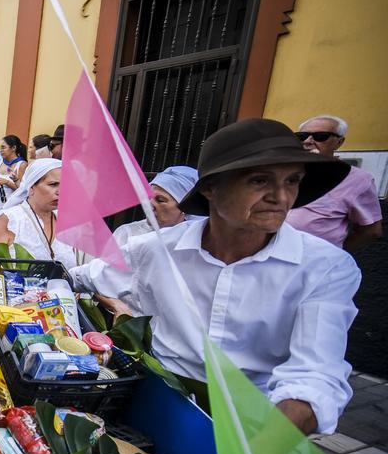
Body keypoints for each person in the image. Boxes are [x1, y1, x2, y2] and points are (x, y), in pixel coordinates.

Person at [70, 118, 358, 435]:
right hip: (158, 402)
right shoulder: (155, 250)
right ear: (210, 188)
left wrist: (266, 448)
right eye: (260, 181)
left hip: (257, 422)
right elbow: (79, 278)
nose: (281, 196)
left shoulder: (325, 267)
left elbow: (315, 375)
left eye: (292, 181)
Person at [285, 115, 382, 252]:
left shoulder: (358, 179)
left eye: (321, 136)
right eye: (302, 136)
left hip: (314, 262)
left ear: (339, 142)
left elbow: (371, 231)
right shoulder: (284, 171)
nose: (308, 141)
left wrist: (335, 255)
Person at [0, 158, 78, 267]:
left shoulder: (68, 223)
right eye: (53, 184)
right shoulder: (8, 222)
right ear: (31, 187)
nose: (60, 192)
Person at [111, 165, 199, 247]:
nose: (150, 205)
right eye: (148, 197)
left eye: (160, 200)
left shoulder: (197, 241)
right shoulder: (128, 234)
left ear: (185, 207)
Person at [0, 135, 29, 211]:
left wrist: (7, 182)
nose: (0, 150)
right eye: (0, 147)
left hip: (11, 207)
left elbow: (22, 191)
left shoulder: (21, 165)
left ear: (13, 148)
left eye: (3, 147)